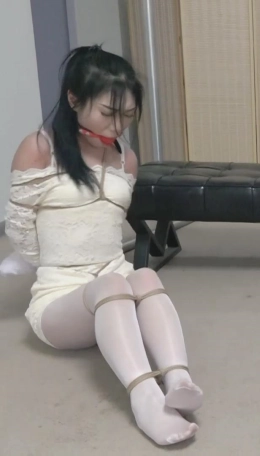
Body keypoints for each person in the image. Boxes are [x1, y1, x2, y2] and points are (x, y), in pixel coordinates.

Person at [3, 45, 200, 446]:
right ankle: (145, 399)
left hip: (117, 285)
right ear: (74, 99)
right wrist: (57, 264)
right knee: (111, 284)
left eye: (127, 115)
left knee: (142, 275)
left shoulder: (126, 159)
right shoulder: (39, 149)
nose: (117, 126)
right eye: (108, 113)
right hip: (61, 298)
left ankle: (178, 378)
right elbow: (20, 230)